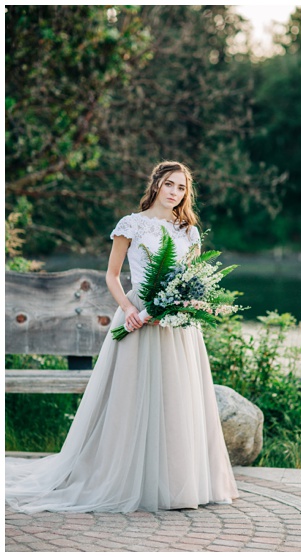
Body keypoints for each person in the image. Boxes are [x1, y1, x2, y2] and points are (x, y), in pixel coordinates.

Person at [5, 161, 240, 513]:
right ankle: (123, 479)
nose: (175, 193)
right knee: (131, 400)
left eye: (182, 188)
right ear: (156, 184)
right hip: (136, 320)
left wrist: (181, 305)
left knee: (177, 400)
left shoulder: (188, 232)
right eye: (170, 184)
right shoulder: (131, 225)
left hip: (177, 327)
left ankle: (178, 484)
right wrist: (130, 311)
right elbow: (112, 276)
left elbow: (192, 278)